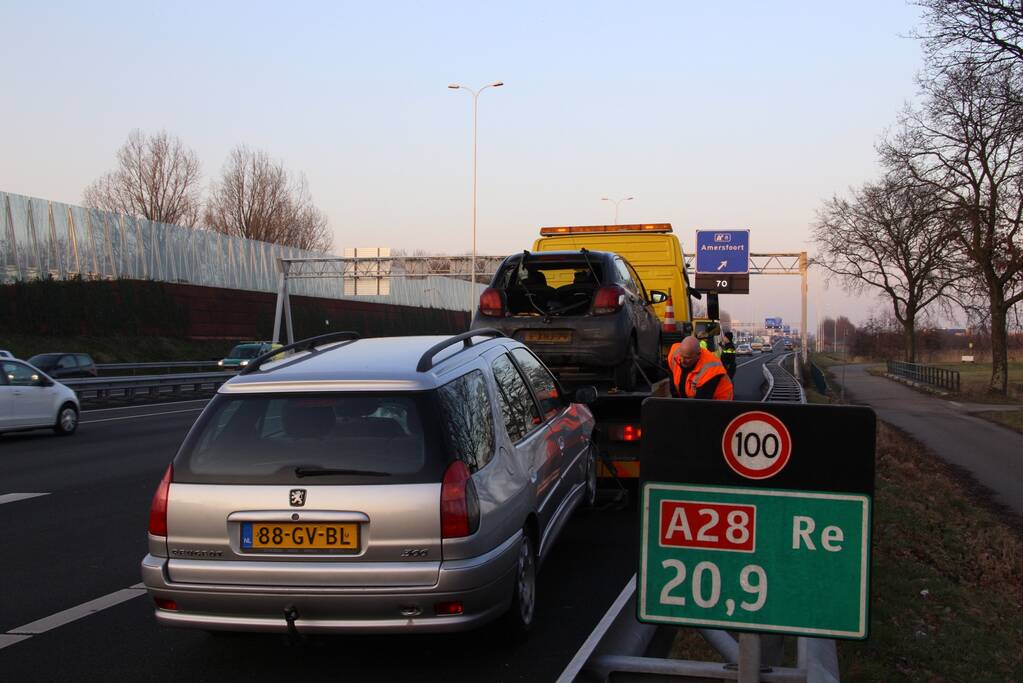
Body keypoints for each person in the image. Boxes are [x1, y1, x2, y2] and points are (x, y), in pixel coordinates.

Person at [667, 336, 734, 400]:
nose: (682, 360)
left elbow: (700, 404)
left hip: (719, 403)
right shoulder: (675, 354)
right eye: (681, 356)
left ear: (698, 355)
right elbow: (673, 387)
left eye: (687, 358)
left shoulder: (710, 370)